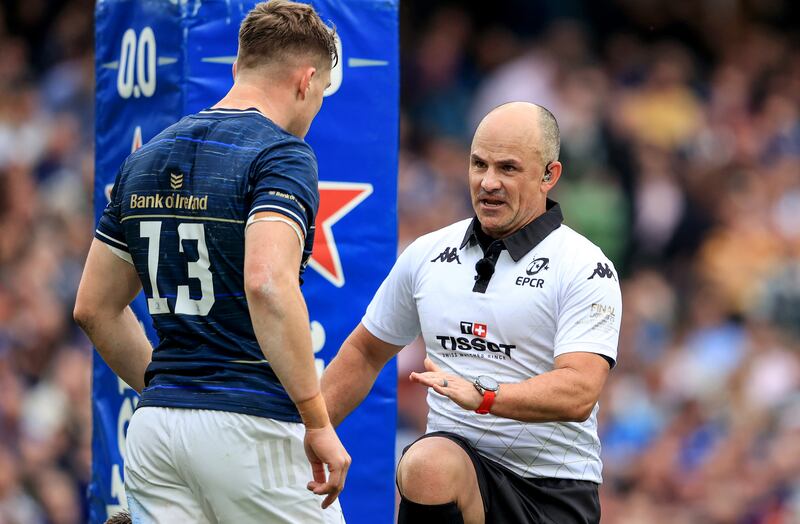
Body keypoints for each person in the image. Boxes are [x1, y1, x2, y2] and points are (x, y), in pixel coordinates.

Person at [73, 1, 350, 522]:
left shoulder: (146, 155)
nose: (315, 110)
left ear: (236, 69)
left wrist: (169, 390)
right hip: (252, 424)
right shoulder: (282, 155)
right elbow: (267, 282)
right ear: (306, 80)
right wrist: (316, 420)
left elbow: (93, 306)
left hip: (155, 433)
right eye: (320, 94)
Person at [322, 102, 622, 524]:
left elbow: (580, 390)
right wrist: (307, 432)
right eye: (478, 164)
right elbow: (364, 353)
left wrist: (484, 396)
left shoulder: (585, 266)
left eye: (508, 168)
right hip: (455, 465)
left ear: (549, 176)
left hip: (553, 487)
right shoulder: (426, 254)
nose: (488, 182)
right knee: (427, 464)